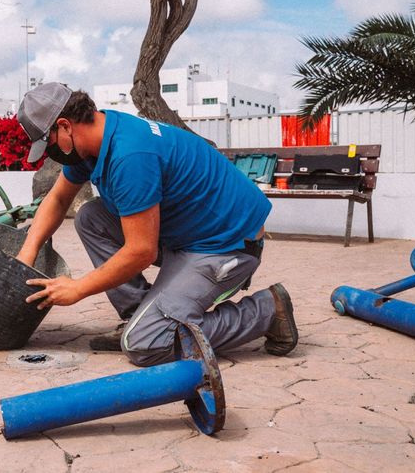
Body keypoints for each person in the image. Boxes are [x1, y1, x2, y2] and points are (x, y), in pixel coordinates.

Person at [16, 82, 298, 366]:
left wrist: (77, 289)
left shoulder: (130, 155)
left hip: (226, 246)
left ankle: (266, 311)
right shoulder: (95, 140)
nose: (49, 154)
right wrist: (25, 258)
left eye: (47, 144)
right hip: (187, 234)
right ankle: (139, 314)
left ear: (65, 126)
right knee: (91, 217)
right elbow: (57, 199)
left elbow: (141, 251)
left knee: (146, 345)